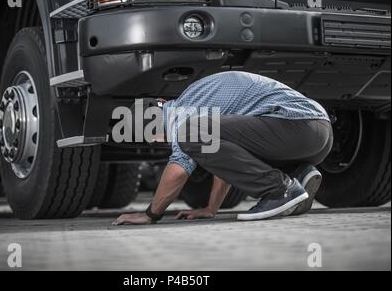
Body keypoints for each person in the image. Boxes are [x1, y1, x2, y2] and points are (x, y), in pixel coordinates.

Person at [112, 71, 333, 225]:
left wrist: (151, 214)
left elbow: (178, 170)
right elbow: (226, 159)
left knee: (191, 133)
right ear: (161, 100)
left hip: (294, 128)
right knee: (207, 136)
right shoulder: (194, 94)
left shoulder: (180, 119)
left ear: (154, 135)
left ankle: (280, 190)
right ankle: (299, 175)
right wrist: (211, 209)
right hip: (318, 134)